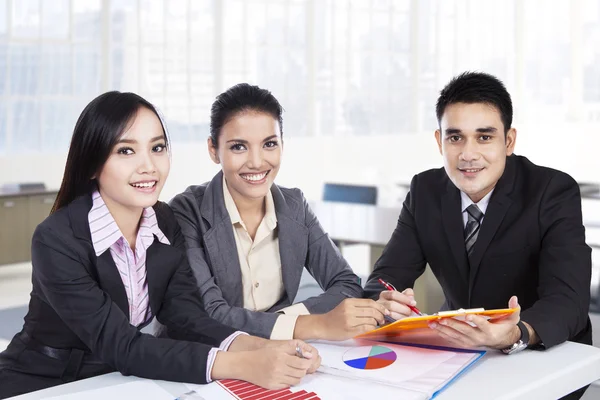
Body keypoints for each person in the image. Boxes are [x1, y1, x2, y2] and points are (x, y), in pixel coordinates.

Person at [0, 91, 320, 399]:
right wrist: (245, 365)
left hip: (121, 378)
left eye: (157, 148)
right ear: (93, 163)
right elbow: (121, 345)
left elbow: (187, 316)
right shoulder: (56, 238)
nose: (148, 166)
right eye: (126, 151)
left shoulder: (164, 221)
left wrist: (263, 347)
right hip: (44, 382)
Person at [365, 71, 592, 398]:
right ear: (438, 141)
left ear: (509, 141)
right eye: (455, 137)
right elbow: (387, 275)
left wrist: (514, 334)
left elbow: (568, 299)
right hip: (461, 351)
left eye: (484, 137)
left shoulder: (552, 191)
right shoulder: (425, 190)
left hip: (541, 349)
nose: (468, 154)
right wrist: (384, 300)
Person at [169, 83, 389, 341]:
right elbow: (209, 314)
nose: (257, 162)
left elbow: (346, 284)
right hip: (201, 358)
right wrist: (316, 325)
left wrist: (283, 323)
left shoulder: (294, 205)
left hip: (273, 353)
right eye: (238, 147)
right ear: (213, 150)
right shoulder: (187, 211)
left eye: (269, 144)